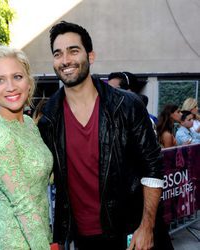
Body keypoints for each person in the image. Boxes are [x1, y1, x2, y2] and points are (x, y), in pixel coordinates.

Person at [37, 21, 173, 249]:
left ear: (90, 56)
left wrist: (147, 226)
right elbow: (39, 169)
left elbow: (153, 167)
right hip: (84, 238)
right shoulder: (49, 117)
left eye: (73, 50)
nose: (66, 60)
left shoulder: (127, 105)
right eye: (58, 53)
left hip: (132, 230)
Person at [0, 45, 53, 249]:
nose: (10, 86)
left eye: (17, 77)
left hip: (39, 234)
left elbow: (39, 173)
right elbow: (23, 206)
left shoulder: (29, 124)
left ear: (29, 82)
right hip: (17, 242)